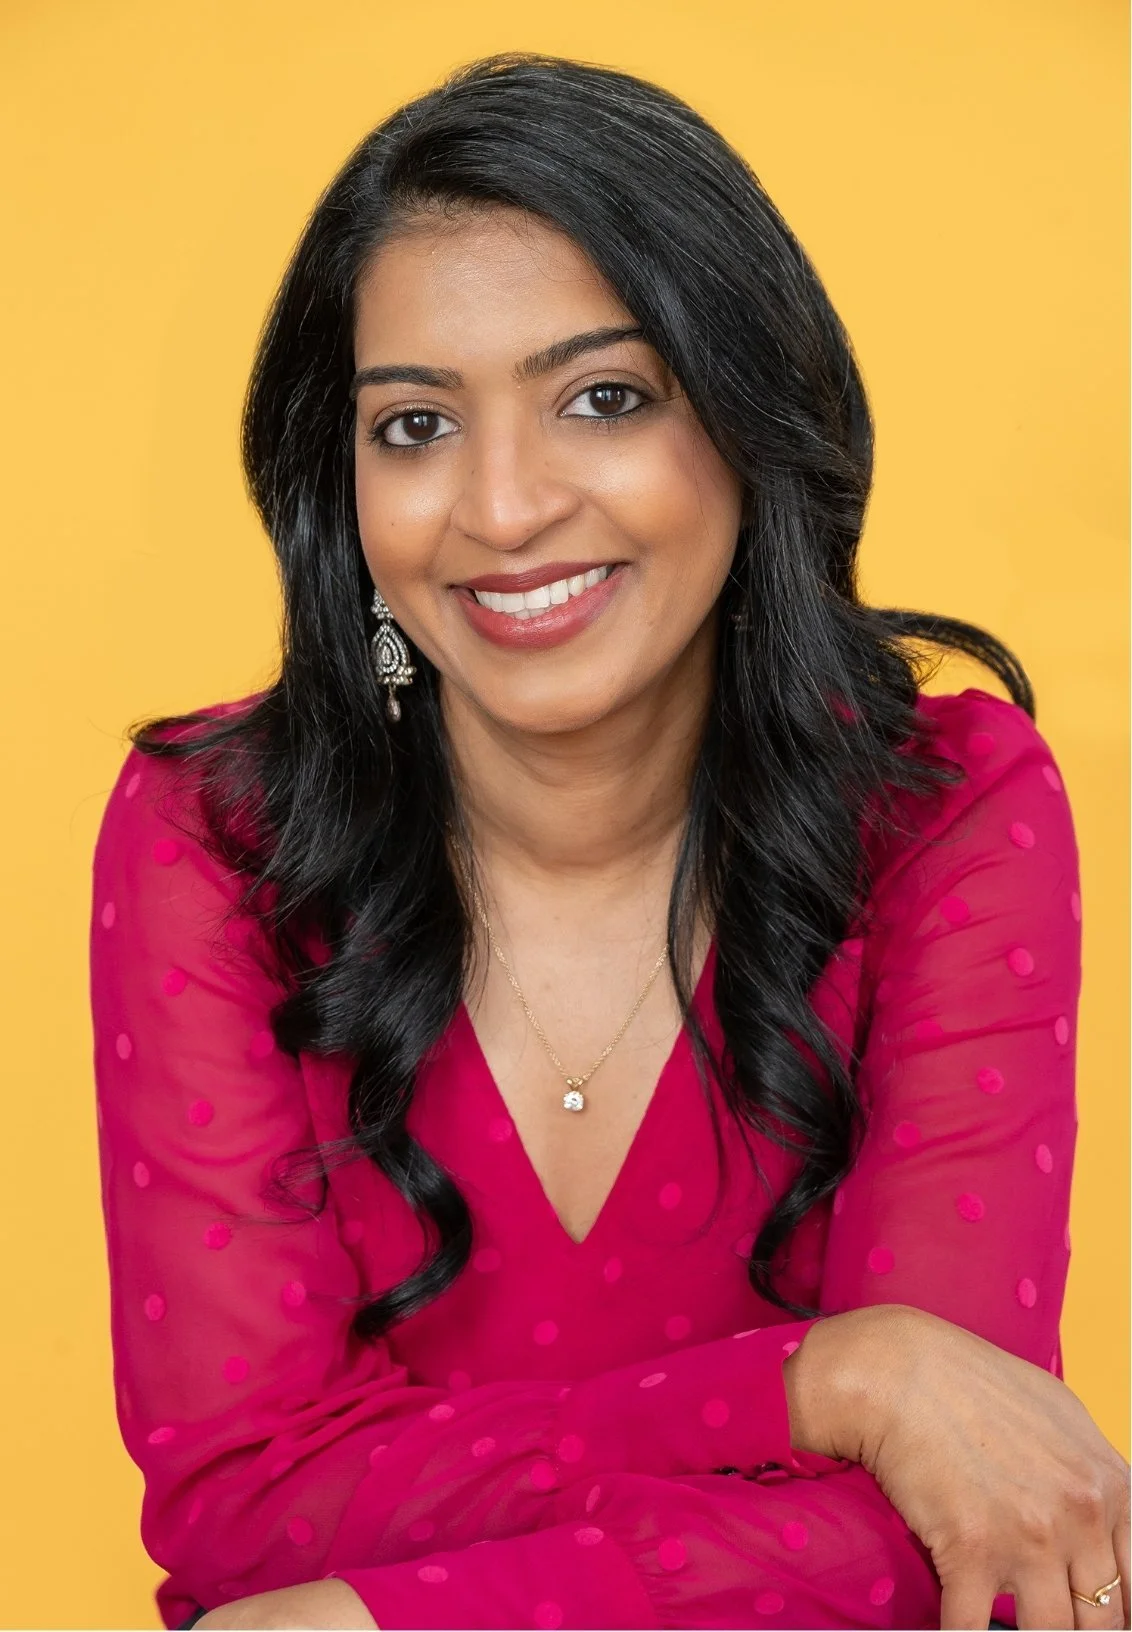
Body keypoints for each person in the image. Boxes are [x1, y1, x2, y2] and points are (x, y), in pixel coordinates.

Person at [88, 51, 1129, 1632]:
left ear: (747, 413)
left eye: (603, 398)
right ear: (341, 486)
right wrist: (830, 1382)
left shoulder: (945, 815)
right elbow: (238, 1505)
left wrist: (383, 1617)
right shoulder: (213, 841)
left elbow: (957, 1530)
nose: (501, 510)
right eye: (417, 426)